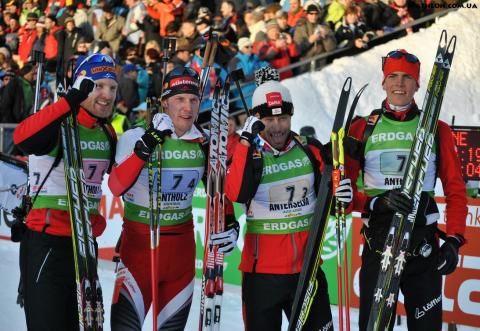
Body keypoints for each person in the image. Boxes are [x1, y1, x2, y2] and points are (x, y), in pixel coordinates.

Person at [344, 49, 467, 330]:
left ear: (418, 84)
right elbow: (346, 197)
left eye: (407, 78)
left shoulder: (438, 129)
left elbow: (455, 191)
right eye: (393, 76)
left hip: (422, 247)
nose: (400, 84)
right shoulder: (362, 128)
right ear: (383, 82)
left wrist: (454, 239)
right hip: (378, 244)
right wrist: (376, 202)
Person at [108, 66, 239, 330]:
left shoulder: (204, 142)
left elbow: (219, 193)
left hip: (181, 255)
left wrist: (230, 223)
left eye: (193, 100)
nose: (187, 108)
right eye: (180, 99)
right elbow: (116, 186)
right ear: (165, 102)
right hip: (139, 251)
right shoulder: (135, 136)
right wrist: (145, 147)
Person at [225, 69, 353, 330]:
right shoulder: (249, 155)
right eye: (269, 120)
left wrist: (343, 196)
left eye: (283, 118)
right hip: (262, 278)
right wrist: (245, 143)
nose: (277, 127)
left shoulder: (310, 149)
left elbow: (336, 203)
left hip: (307, 272)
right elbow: (235, 193)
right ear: (256, 120)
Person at [12, 53, 118, 330]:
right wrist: (69, 101)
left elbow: (122, 182)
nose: (107, 95)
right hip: (48, 243)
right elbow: (22, 138)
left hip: (84, 246)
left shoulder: (107, 133)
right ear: (82, 85)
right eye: (98, 86)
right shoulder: (59, 124)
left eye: (112, 87)